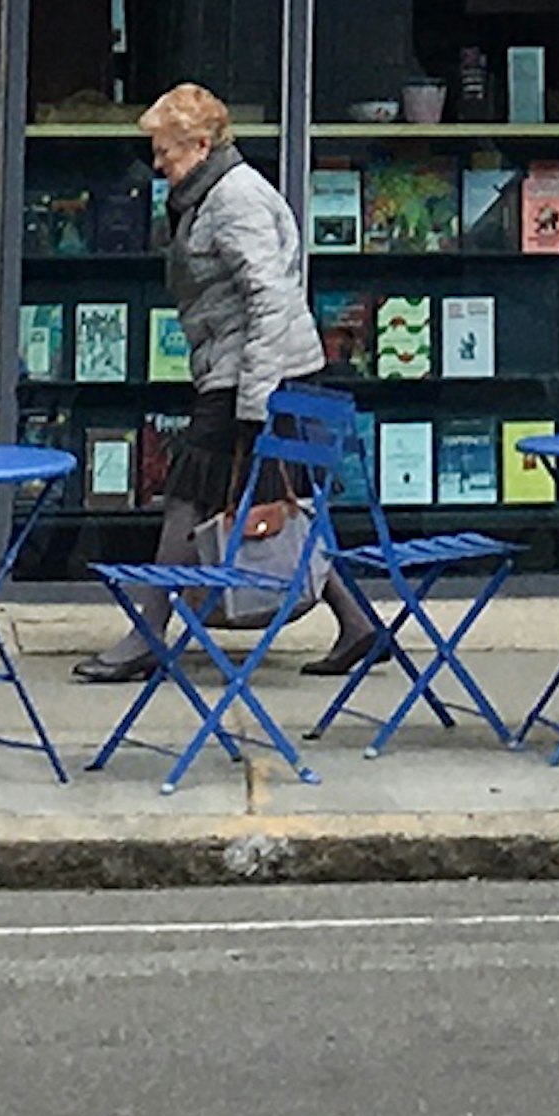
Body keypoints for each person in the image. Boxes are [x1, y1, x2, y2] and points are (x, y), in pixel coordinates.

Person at [78, 83, 386, 686]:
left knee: (188, 497)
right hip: (256, 368)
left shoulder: (233, 198)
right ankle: (357, 623)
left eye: (165, 151)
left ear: (199, 144)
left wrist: (253, 397)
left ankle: (147, 634)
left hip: (256, 372)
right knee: (286, 502)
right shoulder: (206, 194)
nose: (158, 163)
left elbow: (270, 298)